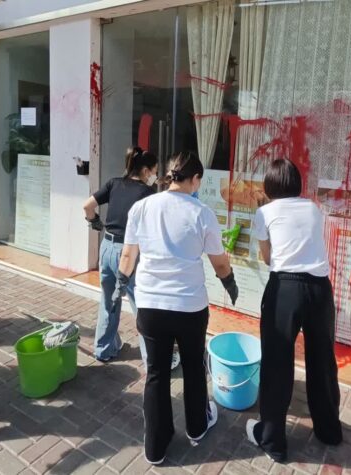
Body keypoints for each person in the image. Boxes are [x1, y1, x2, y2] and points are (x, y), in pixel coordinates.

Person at [116, 151, 239, 464]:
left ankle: (155, 448)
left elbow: (128, 256)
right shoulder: (202, 213)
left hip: (150, 305)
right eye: (199, 181)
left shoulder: (142, 207)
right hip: (189, 306)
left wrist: (120, 282)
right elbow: (219, 262)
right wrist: (230, 282)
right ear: (195, 179)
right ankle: (197, 427)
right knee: (194, 366)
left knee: (156, 373)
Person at [246, 158, 342, 462]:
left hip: (285, 290)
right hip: (319, 290)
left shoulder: (264, 212)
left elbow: (267, 258)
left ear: (269, 185)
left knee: (277, 363)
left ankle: (273, 441)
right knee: (322, 360)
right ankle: (329, 430)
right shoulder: (313, 208)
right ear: (297, 184)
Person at [83, 147, 179, 368]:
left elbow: (87, 206)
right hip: (129, 253)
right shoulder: (146, 193)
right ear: (145, 170)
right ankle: (151, 359)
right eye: (154, 171)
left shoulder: (114, 183)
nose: (154, 175)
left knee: (109, 300)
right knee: (142, 306)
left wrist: (94, 221)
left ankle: (103, 350)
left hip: (107, 247)